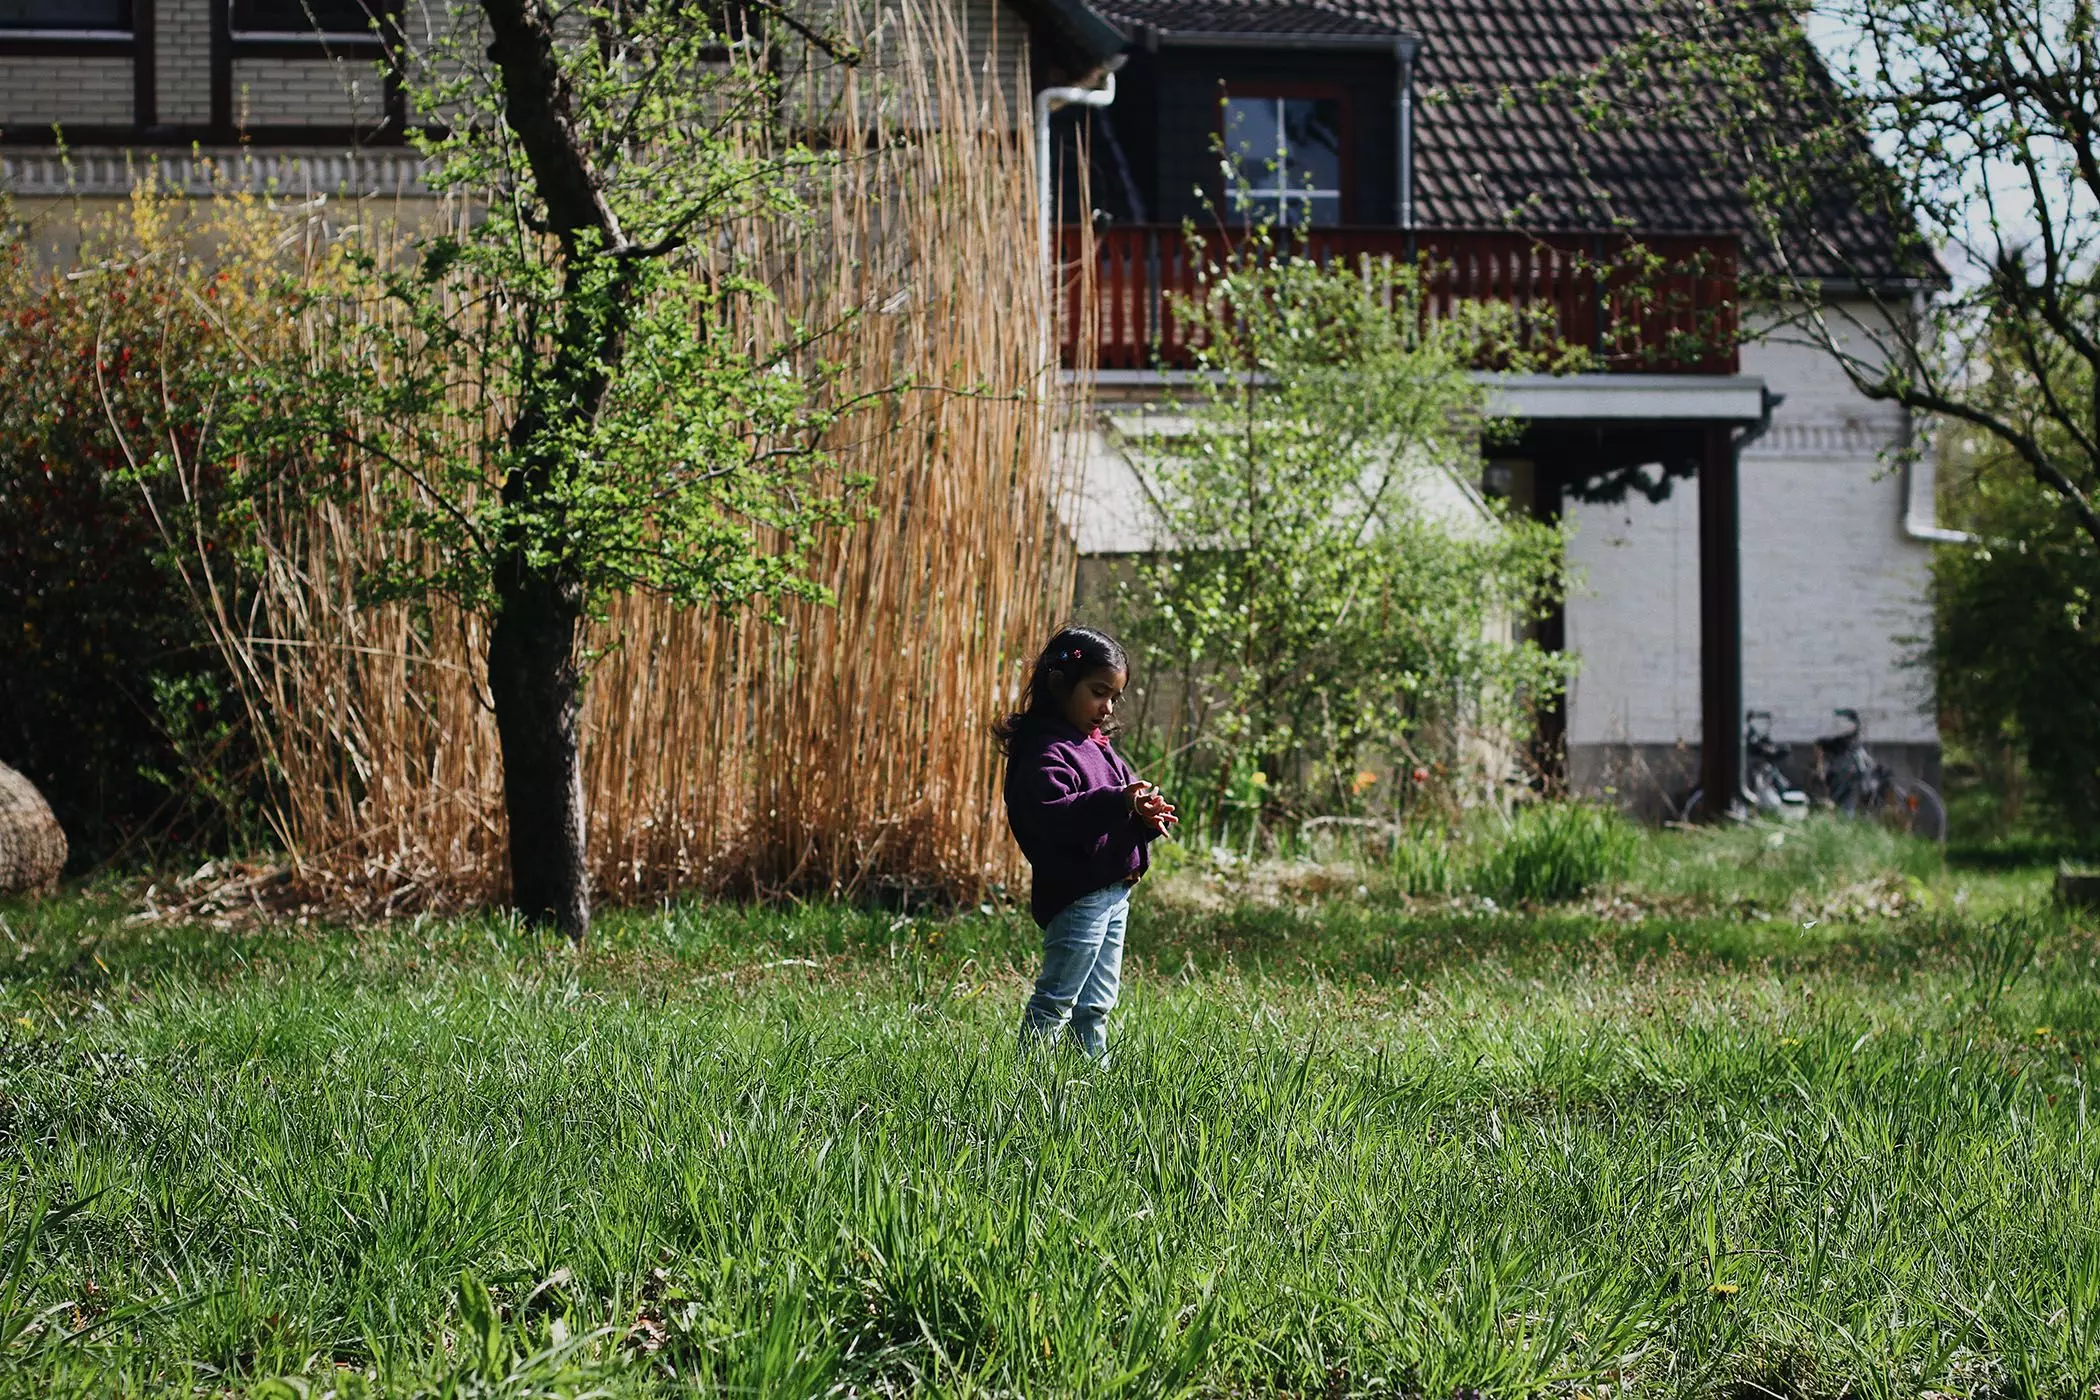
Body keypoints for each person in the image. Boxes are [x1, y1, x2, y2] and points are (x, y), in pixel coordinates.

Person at [995, 626, 1176, 1059]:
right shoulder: (1043, 751)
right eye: (1098, 692)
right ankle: (1026, 1079)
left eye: (1114, 697)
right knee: (1057, 999)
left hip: (1114, 893)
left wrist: (1145, 815)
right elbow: (1051, 815)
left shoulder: (1097, 746)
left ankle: (1092, 1077)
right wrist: (1118, 801)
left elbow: (1123, 799)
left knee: (1096, 1004)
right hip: (1078, 896)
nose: (1107, 707)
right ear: (1060, 684)